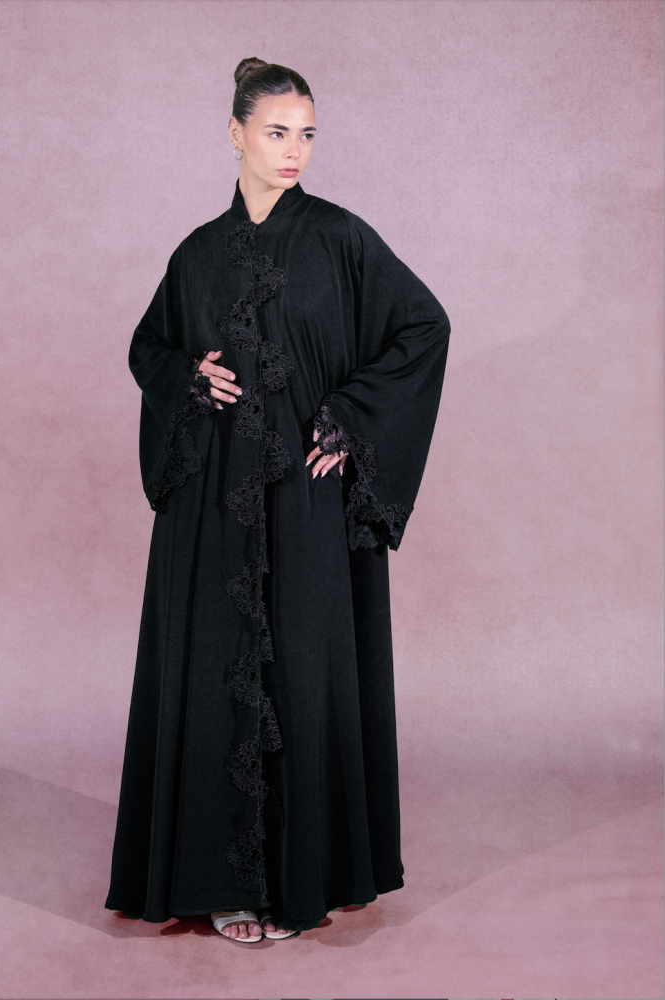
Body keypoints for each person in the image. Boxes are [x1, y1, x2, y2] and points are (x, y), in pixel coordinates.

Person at [105, 57, 450, 943]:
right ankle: (220, 883)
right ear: (235, 134)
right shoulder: (195, 254)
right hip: (213, 506)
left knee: (303, 669)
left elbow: (424, 326)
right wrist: (189, 374)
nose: (294, 149)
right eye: (275, 131)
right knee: (215, 675)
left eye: (307, 134)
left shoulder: (341, 239)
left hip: (303, 501)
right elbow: (148, 347)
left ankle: (302, 881)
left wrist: (351, 417)